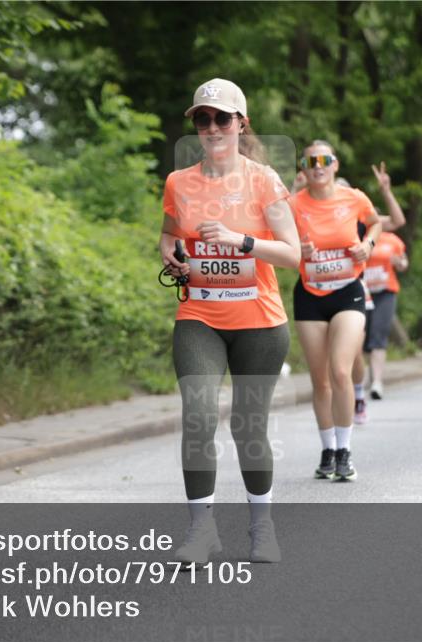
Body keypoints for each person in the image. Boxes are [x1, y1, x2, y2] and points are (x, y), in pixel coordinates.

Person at [159, 78, 300, 565]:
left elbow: (293, 254)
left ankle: (262, 528)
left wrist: (241, 241)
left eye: (222, 118)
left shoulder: (264, 180)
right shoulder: (179, 182)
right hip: (199, 314)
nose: (213, 127)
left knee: (248, 427)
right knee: (198, 416)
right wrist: (174, 257)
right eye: (203, 118)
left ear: (241, 123)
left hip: (259, 321)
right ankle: (202, 531)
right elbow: (167, 235)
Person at [290, 140, 381, 481]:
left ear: (335, 165)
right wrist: (298, 248)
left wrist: (366, 246)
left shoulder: (353, 197)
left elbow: (375, 224)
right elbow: (274, 236)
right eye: (311, 160)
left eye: (324, 159)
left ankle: (345, 451)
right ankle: (327, 449)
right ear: (304, 167)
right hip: (310, 296)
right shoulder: (294, 204)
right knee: (320, 381)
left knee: (341, 371)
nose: (318, 165)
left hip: (348, 292)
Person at [350, 163, 407, 421]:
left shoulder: (371, 227)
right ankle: (352, 388)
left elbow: (397, 221)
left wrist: (386, 190)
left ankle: (375, 384)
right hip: (351, 287)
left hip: (382, 292)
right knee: (355, 344)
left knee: (378, 337)